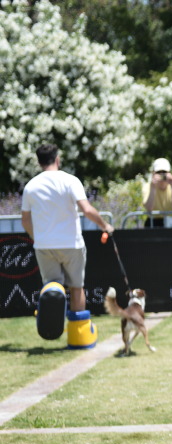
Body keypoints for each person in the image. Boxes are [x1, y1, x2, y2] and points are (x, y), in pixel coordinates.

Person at [21, 143, 114, 346]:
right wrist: (104, 225)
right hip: (71, 244)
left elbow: (25, 220)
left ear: (38, 162)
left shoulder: (31, 186)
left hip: (44, 245)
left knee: (52, 288)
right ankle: (79, 336)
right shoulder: (70, 180)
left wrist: (36, 237)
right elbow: (87, 210)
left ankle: (51, 329)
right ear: (57, 159)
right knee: (77, 288)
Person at [142, 157, 172, 227]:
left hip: (171, 222)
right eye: (158, 172)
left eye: (164, 172)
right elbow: (149, 208)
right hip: (152, 223)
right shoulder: (147, 187)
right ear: (153, 174)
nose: (161, 175)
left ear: (169, 173)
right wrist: (153, 187)